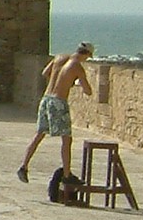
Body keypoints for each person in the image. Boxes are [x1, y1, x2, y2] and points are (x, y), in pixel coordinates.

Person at [17, 41, 96, 184]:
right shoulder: (77, 67)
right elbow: (88, 91)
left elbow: (45, 73)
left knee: (39, 134)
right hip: (59, 102)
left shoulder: (59, 57)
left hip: (46, 99)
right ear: (87, 55)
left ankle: (24, 166)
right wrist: (73, 83)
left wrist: (58, 81)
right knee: (66, 139)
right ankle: (66, 175)